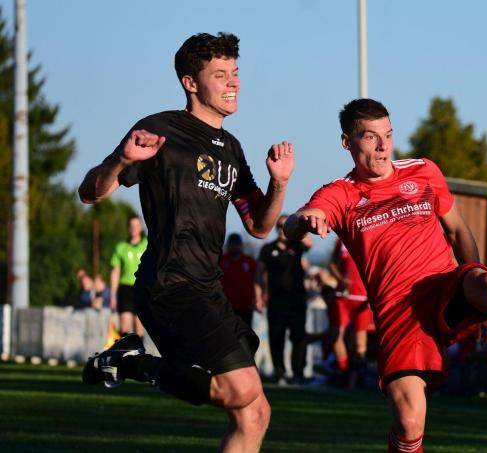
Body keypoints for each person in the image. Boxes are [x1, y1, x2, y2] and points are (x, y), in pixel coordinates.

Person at [283, 98, 487, 452]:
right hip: (401, 315)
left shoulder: (423, 171)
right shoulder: (342, 193)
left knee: (486, 280)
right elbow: (296, 221)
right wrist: (303, 220)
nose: (383, 147)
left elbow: (458, 232)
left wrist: (484, 305)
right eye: (370, 138)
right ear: (347, 142)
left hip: (445, 288)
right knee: (409, 421)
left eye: (388, 135)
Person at [78, 32, 294, 452]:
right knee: (241, 390)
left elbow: (259, 226)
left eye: (235, 73)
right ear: (190, 83)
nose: (233, 83)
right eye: (220, 74)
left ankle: (131, 360)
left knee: (255, 414)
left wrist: (279, 183)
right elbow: (91, 192)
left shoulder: (230, 148)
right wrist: (122, 160)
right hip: (169, 285)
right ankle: (133, 363)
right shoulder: (160, 129)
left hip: (208, 290)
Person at [257, 215, 313, 384]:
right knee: (276, 337)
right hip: (276, 300)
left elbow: (310, 243)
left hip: (296, 300)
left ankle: (298, 373)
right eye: (279, 226)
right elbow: (259, 274)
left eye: (284, 226)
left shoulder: (297, 245)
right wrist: (259, 296)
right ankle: (279, 372)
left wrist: (298, 227)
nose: (281, 229)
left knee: (299, 337)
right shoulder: (267, 249)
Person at [329, 238, 373, 384]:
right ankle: (343, 371)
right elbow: (332, 264)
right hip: (343, 296)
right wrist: (340, 278)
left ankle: (353, 380)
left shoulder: (371, 236)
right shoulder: (341, 240)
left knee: (360, 342)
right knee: (336, 336)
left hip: (362, 297)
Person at [110, 215, 147, 336]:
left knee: (139, 328)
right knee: (124, 327)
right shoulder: (121, 247)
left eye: (136, 225)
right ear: (128, 228)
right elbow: (115, 272)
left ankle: (140, 354)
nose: (134, 228)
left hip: (142, 289)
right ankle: (124, 353)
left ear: (141, 227)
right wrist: (113, 296)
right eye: (131, 226)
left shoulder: (148, 245)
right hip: (125, 289)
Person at [220, 233, 260, 326]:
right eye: (232, 244)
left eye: (236, 244)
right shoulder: (221, 261)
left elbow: (257, 280)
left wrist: (258, 299)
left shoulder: (250, 261)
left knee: (245, 337)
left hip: (246, 307)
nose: (234, 247)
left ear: (241, 245)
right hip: (226, 308)